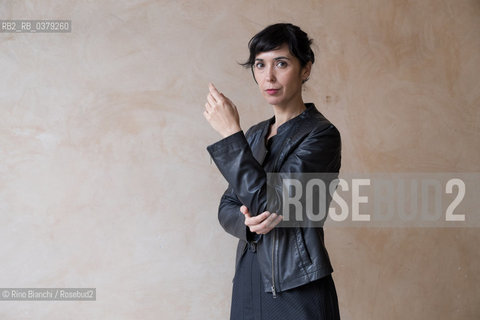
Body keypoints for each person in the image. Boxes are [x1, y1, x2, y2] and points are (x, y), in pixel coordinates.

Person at [203, 23, 341, 320]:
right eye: (260, 64)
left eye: (281, 63)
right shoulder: (253, 136)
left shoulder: (321, 135)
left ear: (305, 69)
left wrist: (229, 133)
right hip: (249, 280)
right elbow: (227, 206)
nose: (269, 76)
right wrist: (249, 224)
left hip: (296, 284)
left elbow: (270, 203)